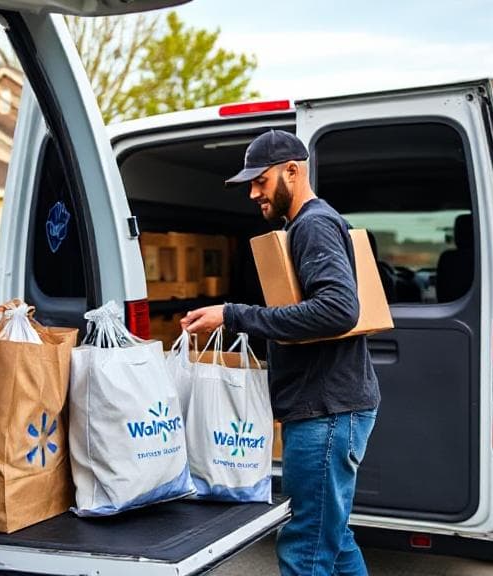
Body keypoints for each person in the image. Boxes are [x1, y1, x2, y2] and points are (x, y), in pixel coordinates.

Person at [181, 129, 380, 576]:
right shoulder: (308, 225)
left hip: (326, 411)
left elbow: (338, 310)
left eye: (261, 180)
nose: (253, 192)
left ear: (293, 170)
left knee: (305, 547)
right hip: (328, 407)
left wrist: (233, 315)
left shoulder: (312, 225)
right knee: (333, 536)